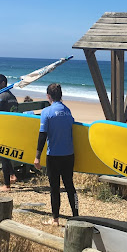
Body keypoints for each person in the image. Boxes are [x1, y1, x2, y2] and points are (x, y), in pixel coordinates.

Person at [34, 83, 77, 226]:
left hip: (53, 156)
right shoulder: (68, 111)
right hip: (69, 155)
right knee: (70, 186)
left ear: (48, 96)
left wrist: (37, 156)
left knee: (54, 188)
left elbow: (42, 135)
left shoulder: (47, 112)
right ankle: (76, 216)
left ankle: (55, 219)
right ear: (61, 96)